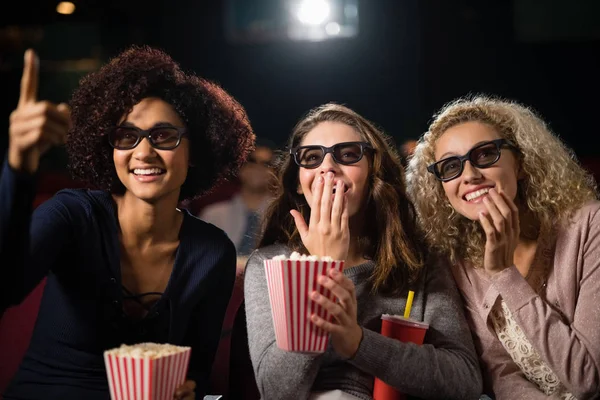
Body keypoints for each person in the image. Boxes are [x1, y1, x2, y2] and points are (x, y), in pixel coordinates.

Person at [0, 46, 254, 399]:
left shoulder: (212, 252)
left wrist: (188, 391)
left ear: (194, 151)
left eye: (163, 135)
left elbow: (197, 372)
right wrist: (18, 167)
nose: (143, 152)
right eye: (126, 136)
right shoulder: (72, 216)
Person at [244, 103, 482, 400]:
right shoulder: (268, 264)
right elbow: (276, 390)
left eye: (347, 154)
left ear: (373, 173)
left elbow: (465, 380)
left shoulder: (420, 262)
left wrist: (359, 343)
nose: (327, 167)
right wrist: (322, 266)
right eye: (312, 157)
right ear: (298, 183)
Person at [406, 95, 600, 399]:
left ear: (521, 163)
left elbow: (587, 379)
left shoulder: (590, 225)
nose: (469, 175)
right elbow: (499, 372)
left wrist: (504, 273)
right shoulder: (455, 260)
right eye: (450, 166)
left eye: (485, 155)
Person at [199, 138, 275, 256]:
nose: (258, 168)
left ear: (275, 172)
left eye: (266, 164)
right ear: (241, 168)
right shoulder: (213, 215)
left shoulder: (281, 216)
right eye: (252, 161)